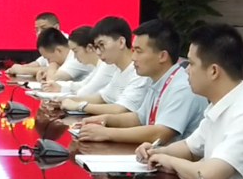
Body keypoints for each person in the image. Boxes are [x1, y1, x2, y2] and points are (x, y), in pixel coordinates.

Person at [136, 24, 243, 179]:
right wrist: (157, 152)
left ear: (213, 71)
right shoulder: (221, 103)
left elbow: (208, 176)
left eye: (191, 64)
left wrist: (169, 161)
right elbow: (190, 148)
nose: (186, 70)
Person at [76, 19, 206, 145]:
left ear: (162, 56)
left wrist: (106, 133)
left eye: (139, 51)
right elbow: (139, 118)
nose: (133, 58)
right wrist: (105, 119)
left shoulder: (182, 87)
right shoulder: (156, 80)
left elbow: (160, 134)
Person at [56, 16, 150, 116]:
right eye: (96, 47)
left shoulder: (140, 72)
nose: (98, 52)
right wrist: (65, 100)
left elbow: (121, 109)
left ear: (121, 42)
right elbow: (102, 98)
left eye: (102, 45)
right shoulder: (119, 70)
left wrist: (79, 106)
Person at [6, 12, 88, 81]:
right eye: (36, 30)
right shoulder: (54, 46)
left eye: (43, 28)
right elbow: (39, 63)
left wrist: (51, 66)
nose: (39, 33)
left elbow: (52, 78)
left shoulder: (74, 52)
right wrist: (20, 68)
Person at [42, 26, 102, 93]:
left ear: (90, 48)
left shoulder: (105, 65)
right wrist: (60, 87)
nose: (75, 57)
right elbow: (83, 85)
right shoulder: (99, 66)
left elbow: (88, 90)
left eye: (76, 51)